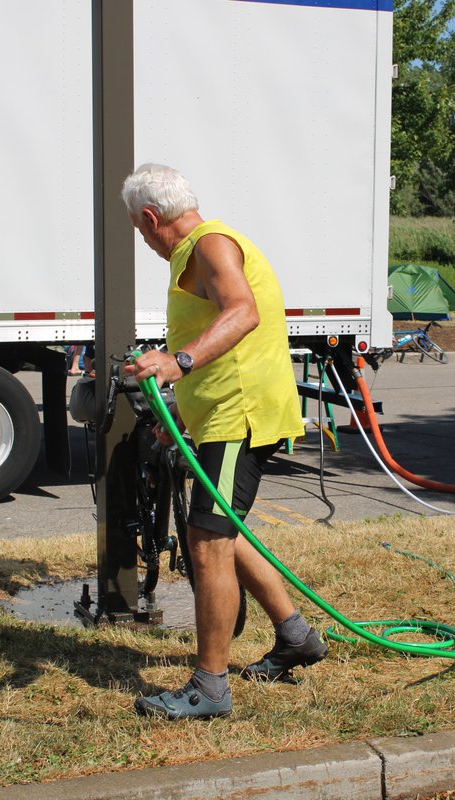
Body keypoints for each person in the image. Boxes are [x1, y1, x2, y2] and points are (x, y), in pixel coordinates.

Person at [120, 163, 326, 720]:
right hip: (221, 416)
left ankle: (209, 688)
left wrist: (176, 362)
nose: (144, 241)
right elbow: (220, 339)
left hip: (241, 418)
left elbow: (243, 312)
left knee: (207, 541)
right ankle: (296, 636)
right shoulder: (197, 252)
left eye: (140, 232)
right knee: (222, 532)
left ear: (149, 216)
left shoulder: (210, 245)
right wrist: (182, 416)